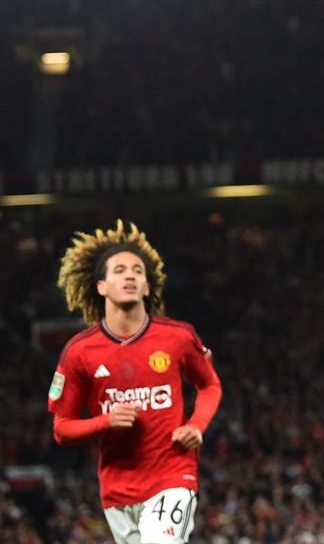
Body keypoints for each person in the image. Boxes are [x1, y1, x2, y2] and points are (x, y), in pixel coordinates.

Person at [47, 221, 222, 544]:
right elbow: (62, 428)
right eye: (120, 270)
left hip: (173, 474)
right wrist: (105, 422)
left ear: (147, 287)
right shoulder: (79, 352)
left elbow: (209, 385)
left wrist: (197, 424)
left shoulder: (178, 338)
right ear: (101, 286)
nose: (130, 275)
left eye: (138, 271)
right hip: (117, 488)